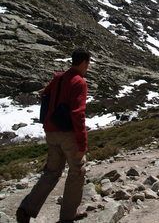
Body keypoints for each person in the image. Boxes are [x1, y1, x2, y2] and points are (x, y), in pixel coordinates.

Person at [16, 48, 91, 223]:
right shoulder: (79, 82)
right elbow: (78, 114)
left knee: (51, 172)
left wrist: (47, 119)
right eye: (88, 63)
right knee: (77, 171)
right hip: (68, 135)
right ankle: (68, 217)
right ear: (85, 62)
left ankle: (26, 209)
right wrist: (82, 144)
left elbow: (45, 95)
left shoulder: (59, 77)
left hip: (51, 132)